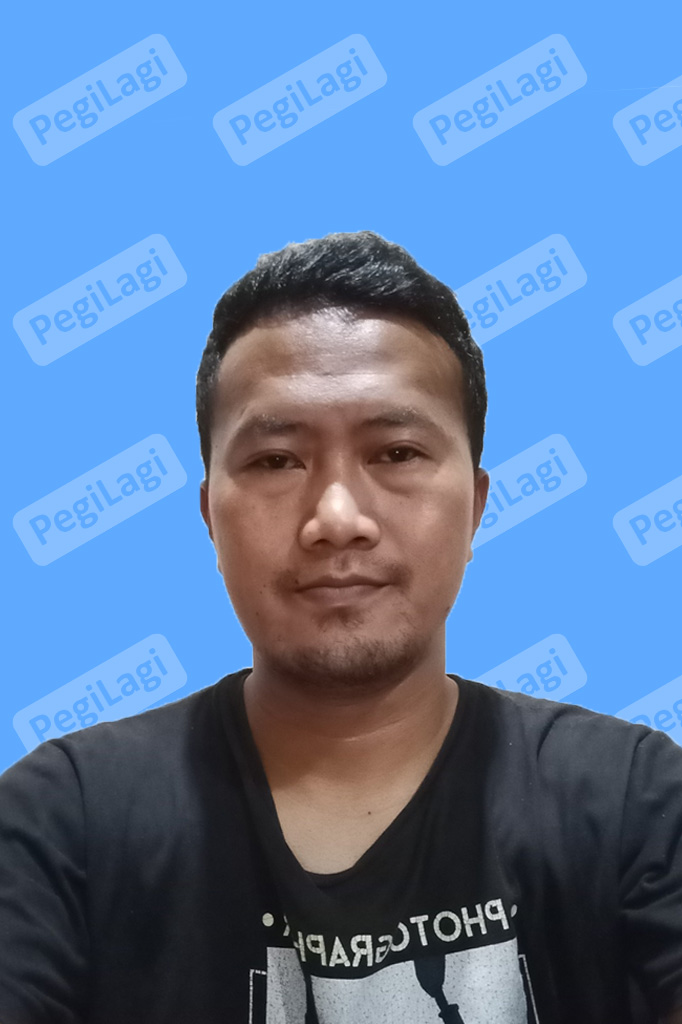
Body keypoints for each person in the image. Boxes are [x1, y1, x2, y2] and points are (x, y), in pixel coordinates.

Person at [0, 231, 680, 1024]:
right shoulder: (66, 821)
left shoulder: (632, 800)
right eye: (276, 461)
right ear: (210, 516)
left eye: (396, 452)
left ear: (476, 507)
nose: (336, 517)